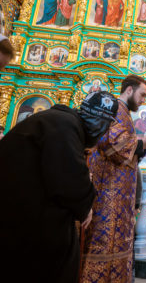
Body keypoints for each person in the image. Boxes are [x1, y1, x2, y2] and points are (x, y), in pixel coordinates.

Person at [1, 91, 119, 283]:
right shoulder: (65, 126)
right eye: (105, 126)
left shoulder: (60, 121)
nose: (103, 133)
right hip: (23, 224)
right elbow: (70, 182)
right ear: (99, 122)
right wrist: (86, 204)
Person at [81, 75, 146, 282]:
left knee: (116, 239)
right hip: (107, 190)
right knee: (105, 239)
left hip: (118, 192)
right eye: (142, 95)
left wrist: (140, 143)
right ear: (129, 90)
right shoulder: (116, 109)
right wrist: (143, 143)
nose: (144, 100)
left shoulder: (124, 112)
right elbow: (113, 144)